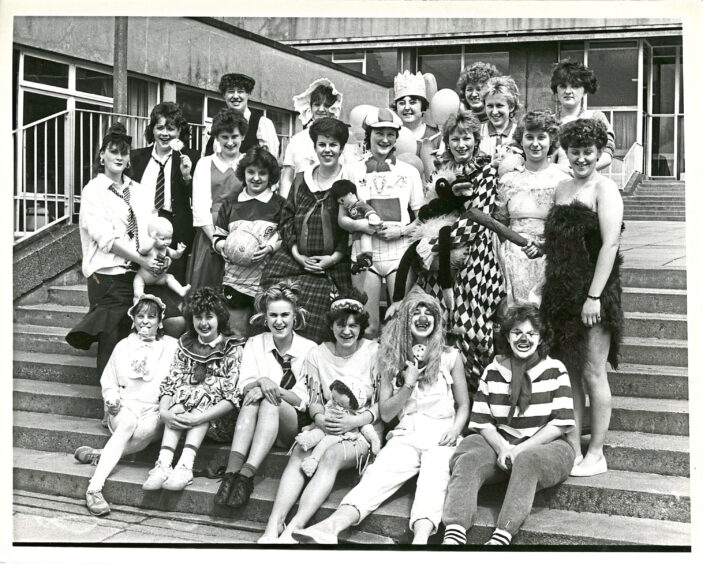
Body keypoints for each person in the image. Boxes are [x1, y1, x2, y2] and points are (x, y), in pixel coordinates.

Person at [294, 288, 469, 545]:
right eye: (415, 313)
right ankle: (331, 527)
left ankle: (420, 541)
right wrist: (408, 384)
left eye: (428, 312)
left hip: (441, 432)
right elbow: (386, 413)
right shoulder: (391, 359)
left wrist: (455, 431)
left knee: (435, 476)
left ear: (437, 320)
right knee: (377, 475)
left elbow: (464, 405)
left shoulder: (450, 357)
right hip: (406, 432)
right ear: (405, 321)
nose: (422, 317)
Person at [441, 303, 575, 546]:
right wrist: (503, 448)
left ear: (541, 337)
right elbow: (482, 421)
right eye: (517, 333)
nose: (524, 339)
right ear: (507, 336)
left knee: (527, 460)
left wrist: (519, 450)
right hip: (502, 443)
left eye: (531, 333)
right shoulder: (493, 370)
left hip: (548, 446)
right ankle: (454, 531)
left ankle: (501, 536)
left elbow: (560, 424)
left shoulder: (555, 369)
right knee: (469, 453)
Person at [66, 123, 186, 381]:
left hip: (141, 273)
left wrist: (159, 259)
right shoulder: (92, 192)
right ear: (102, 156)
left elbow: (151, 230)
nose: (119, 157)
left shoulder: (139, 190)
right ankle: (110, 401)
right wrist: (142, 259)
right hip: (108, 274)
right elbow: (105, 238)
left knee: (175, 320)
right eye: (113, 151)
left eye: (124, 152)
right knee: (114, 330)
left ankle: (153, 385)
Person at [259, 295, 379, 543]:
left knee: (331, 455)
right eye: (340, 325)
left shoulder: (373, 351)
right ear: (331, 326)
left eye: (353, 325)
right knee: (301, 451)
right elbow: (314, 399)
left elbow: (382, 403)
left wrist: (355, 422)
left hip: (357, 430)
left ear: (360, 327)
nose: (346, 331)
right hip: (325, 424)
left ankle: (295, 527)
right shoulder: (318, 354)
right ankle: (273, 525)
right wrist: (320, 418)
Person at [541, 118, 624, 477]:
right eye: (574, 151)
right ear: (566, 152)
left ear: (598, 152)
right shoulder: (560, 189)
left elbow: (611, 244)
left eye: (587, 151)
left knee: (593, 373)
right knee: (570, 374)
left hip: (595, 294)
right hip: (562, 295)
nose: (580, 158)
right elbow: (561, 242)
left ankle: (597, 452)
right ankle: (573, 447)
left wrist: (594, 297)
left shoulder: (605, 189)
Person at [409, 110, 504, 392]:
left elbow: (477, 218)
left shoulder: (486, 173)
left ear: (476, 140)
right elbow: (431, 211)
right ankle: (445, 398)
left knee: (475, 329)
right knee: (442, 324)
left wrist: (435, 245)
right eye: (455, 138)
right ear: (447, 141)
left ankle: (479, 399)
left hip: (476, 261)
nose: (461, 144)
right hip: (443, 263)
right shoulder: (442, 172)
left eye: (467, 138)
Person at [213, 280, 316, 509]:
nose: (279, 322)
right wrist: (261, 381)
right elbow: (243, 386)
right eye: (273, 315)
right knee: (253, 399)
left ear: (295, 316)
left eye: (285, 315)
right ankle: (232, 475)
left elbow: (302, 401)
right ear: (265, 317)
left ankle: (247, 475)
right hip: (257, 419)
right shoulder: (254, 343)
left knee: (270, 400)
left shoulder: (309, 349)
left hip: (291, 425)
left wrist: (272, 388)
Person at [74, 294, 179, 516]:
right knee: (129, 423)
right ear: (133, 319)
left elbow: (178, 381)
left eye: (152, 316)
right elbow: (109, 381)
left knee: (147, 429)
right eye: (140, 316)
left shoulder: (171, 347)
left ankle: (101, 454)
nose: (145, 321)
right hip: (124, 408)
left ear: (160, 321)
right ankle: (94, 488)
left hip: (153, 410)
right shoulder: (123, 345)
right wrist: (111, 400)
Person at [261, 117, 355, 343]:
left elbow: (351, 229)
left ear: (341, 148)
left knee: (320, 305)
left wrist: (332, 259)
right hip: (295, 259)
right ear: (315, 147)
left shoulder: (348, 182)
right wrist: (297, 255)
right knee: (274, 295)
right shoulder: (302, 180)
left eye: (333, 145)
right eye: (322, 144)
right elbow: (287, 220)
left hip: (332, 263)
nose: (327, 150)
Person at [142, 288, 243, 491]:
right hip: (184, 415)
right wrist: (165, 412)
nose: (203, 323)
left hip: (218, 421)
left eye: (209, 317)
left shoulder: (232, 348)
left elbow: (232, 397)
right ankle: (164, 463)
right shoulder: (186, 344)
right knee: (178, 404)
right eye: (198, 317)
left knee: (199, 398)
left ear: (219, 318)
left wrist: (199, 418)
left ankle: (186, 465)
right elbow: (171, 383)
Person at [345, 108, 425, 338]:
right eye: (379, 133)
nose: (384, 139)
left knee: (400, 325)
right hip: (364, 253)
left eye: (391, 134)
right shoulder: (352, 169)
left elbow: (422, 217)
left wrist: (400, 231)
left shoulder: (409, 172)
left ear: (397, 138)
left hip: (398, 254)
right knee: (368, 327)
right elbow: (342, 219)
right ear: (368, 135)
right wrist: (362, 226)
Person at [493, 109, 570, 306]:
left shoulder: (562, 179)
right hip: (511, 261)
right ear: (521, 140)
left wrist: (544, 249)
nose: (535, 144)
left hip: (548, 258)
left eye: (541, 137)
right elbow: (500, 223)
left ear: (551, 140)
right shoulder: (509, 180)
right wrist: (509, 253)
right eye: (529, 137)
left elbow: (565, 229)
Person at [211, 146, 286, 337]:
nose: (256, 178)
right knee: (236, 333)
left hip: (267, 281)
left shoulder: (280, 204)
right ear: (243, 173)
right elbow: (217, 237)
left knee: (265, 334)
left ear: (271, 176)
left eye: (262, 173)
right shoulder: (230, 203)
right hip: (235, 281)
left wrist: (270, 247)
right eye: (251, 172)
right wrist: (226, 248)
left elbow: (286, 236)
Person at [129, 101, 199, 283]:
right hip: (142, 228)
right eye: (160, 128)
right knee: (139, 280)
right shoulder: (136, 157)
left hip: (174, 230)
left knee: (170, 282)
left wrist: (187, 177)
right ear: (152, 130)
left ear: (179, 132)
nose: (165, 134)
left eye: (171, 128)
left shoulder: (191, 157)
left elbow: (198, 197)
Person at [187, 108, 247, 292]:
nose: (230, 142)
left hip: (242, 234)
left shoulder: (249, 163)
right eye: (224, 137)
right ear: (217, 138)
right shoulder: (205, 163)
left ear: (243, 136)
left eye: (235, 136)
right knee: (207, 290)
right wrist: (217, 241)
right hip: (210, 235)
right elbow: (200, 207)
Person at [294, 377, 381, 477]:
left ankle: (313, 461)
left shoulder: (355, 413)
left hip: (339, 435)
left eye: (341, 404)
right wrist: (311, 427)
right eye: (334, 399)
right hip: (324, 428)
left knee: (325, 442)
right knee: (317, 433)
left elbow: (367, 428)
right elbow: (323, 416)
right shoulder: (331, 405)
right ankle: (307, 441)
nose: (335, 403)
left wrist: (374, 440)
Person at [279, 78, 343, 198]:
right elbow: (287, 177)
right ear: (310, 107)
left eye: (327, 105)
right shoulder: (297, 140)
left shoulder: (342, 138)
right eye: (317, 104)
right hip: (300, 203)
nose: (321, 109)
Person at [550, 60, 615, 172]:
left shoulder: (595, 118)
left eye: (575, 86)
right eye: (563, 86)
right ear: (556, 89)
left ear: (585, 90)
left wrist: (575, 170)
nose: (568, 91)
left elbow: (607, 154)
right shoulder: (549, 121)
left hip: (586, 182)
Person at [204, 73, 279, 158]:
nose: (235, 96)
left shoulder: (262, 124)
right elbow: (205, 159)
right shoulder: (213, 126)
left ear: (248, 94)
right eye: (231, 92)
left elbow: (270, 163)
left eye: (240, 91)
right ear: (224, 95)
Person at [392, 71, 442, 182]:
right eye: (401, 103)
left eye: (413, 102)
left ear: (423, 105)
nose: (407, 107)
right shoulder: (391, 136)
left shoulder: (437, 136)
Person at [330, 179, 382, 274]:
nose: (342, 204)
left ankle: (367, 257)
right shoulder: (350, 208)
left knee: (365, 241)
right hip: (356, 231)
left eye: (342, 200)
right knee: (357, 244)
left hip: (365, 229)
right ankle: (360, 261)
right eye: (340, 203)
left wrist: (372, 216)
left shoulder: (360, 204)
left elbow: (368, 210)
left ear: (350, 194)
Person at [133, 217, 190, 301]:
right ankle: (138, 295)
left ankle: (181, 290)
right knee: (138, 281)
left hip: (159, 278)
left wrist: (179, 251)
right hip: (144, 278)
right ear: (152, 236)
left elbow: (175, 256)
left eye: (169, 238)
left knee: (169, 277)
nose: (167, 242)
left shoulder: (165, 248)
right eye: (163, 239)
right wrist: (151, 241)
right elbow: (142, 252)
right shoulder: (150, 247)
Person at [478, 76, 520, 160]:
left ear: (511, 106)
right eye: (490, 106)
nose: (494, 111)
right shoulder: (477, 132)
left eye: (499, 105)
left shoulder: (519, 132)